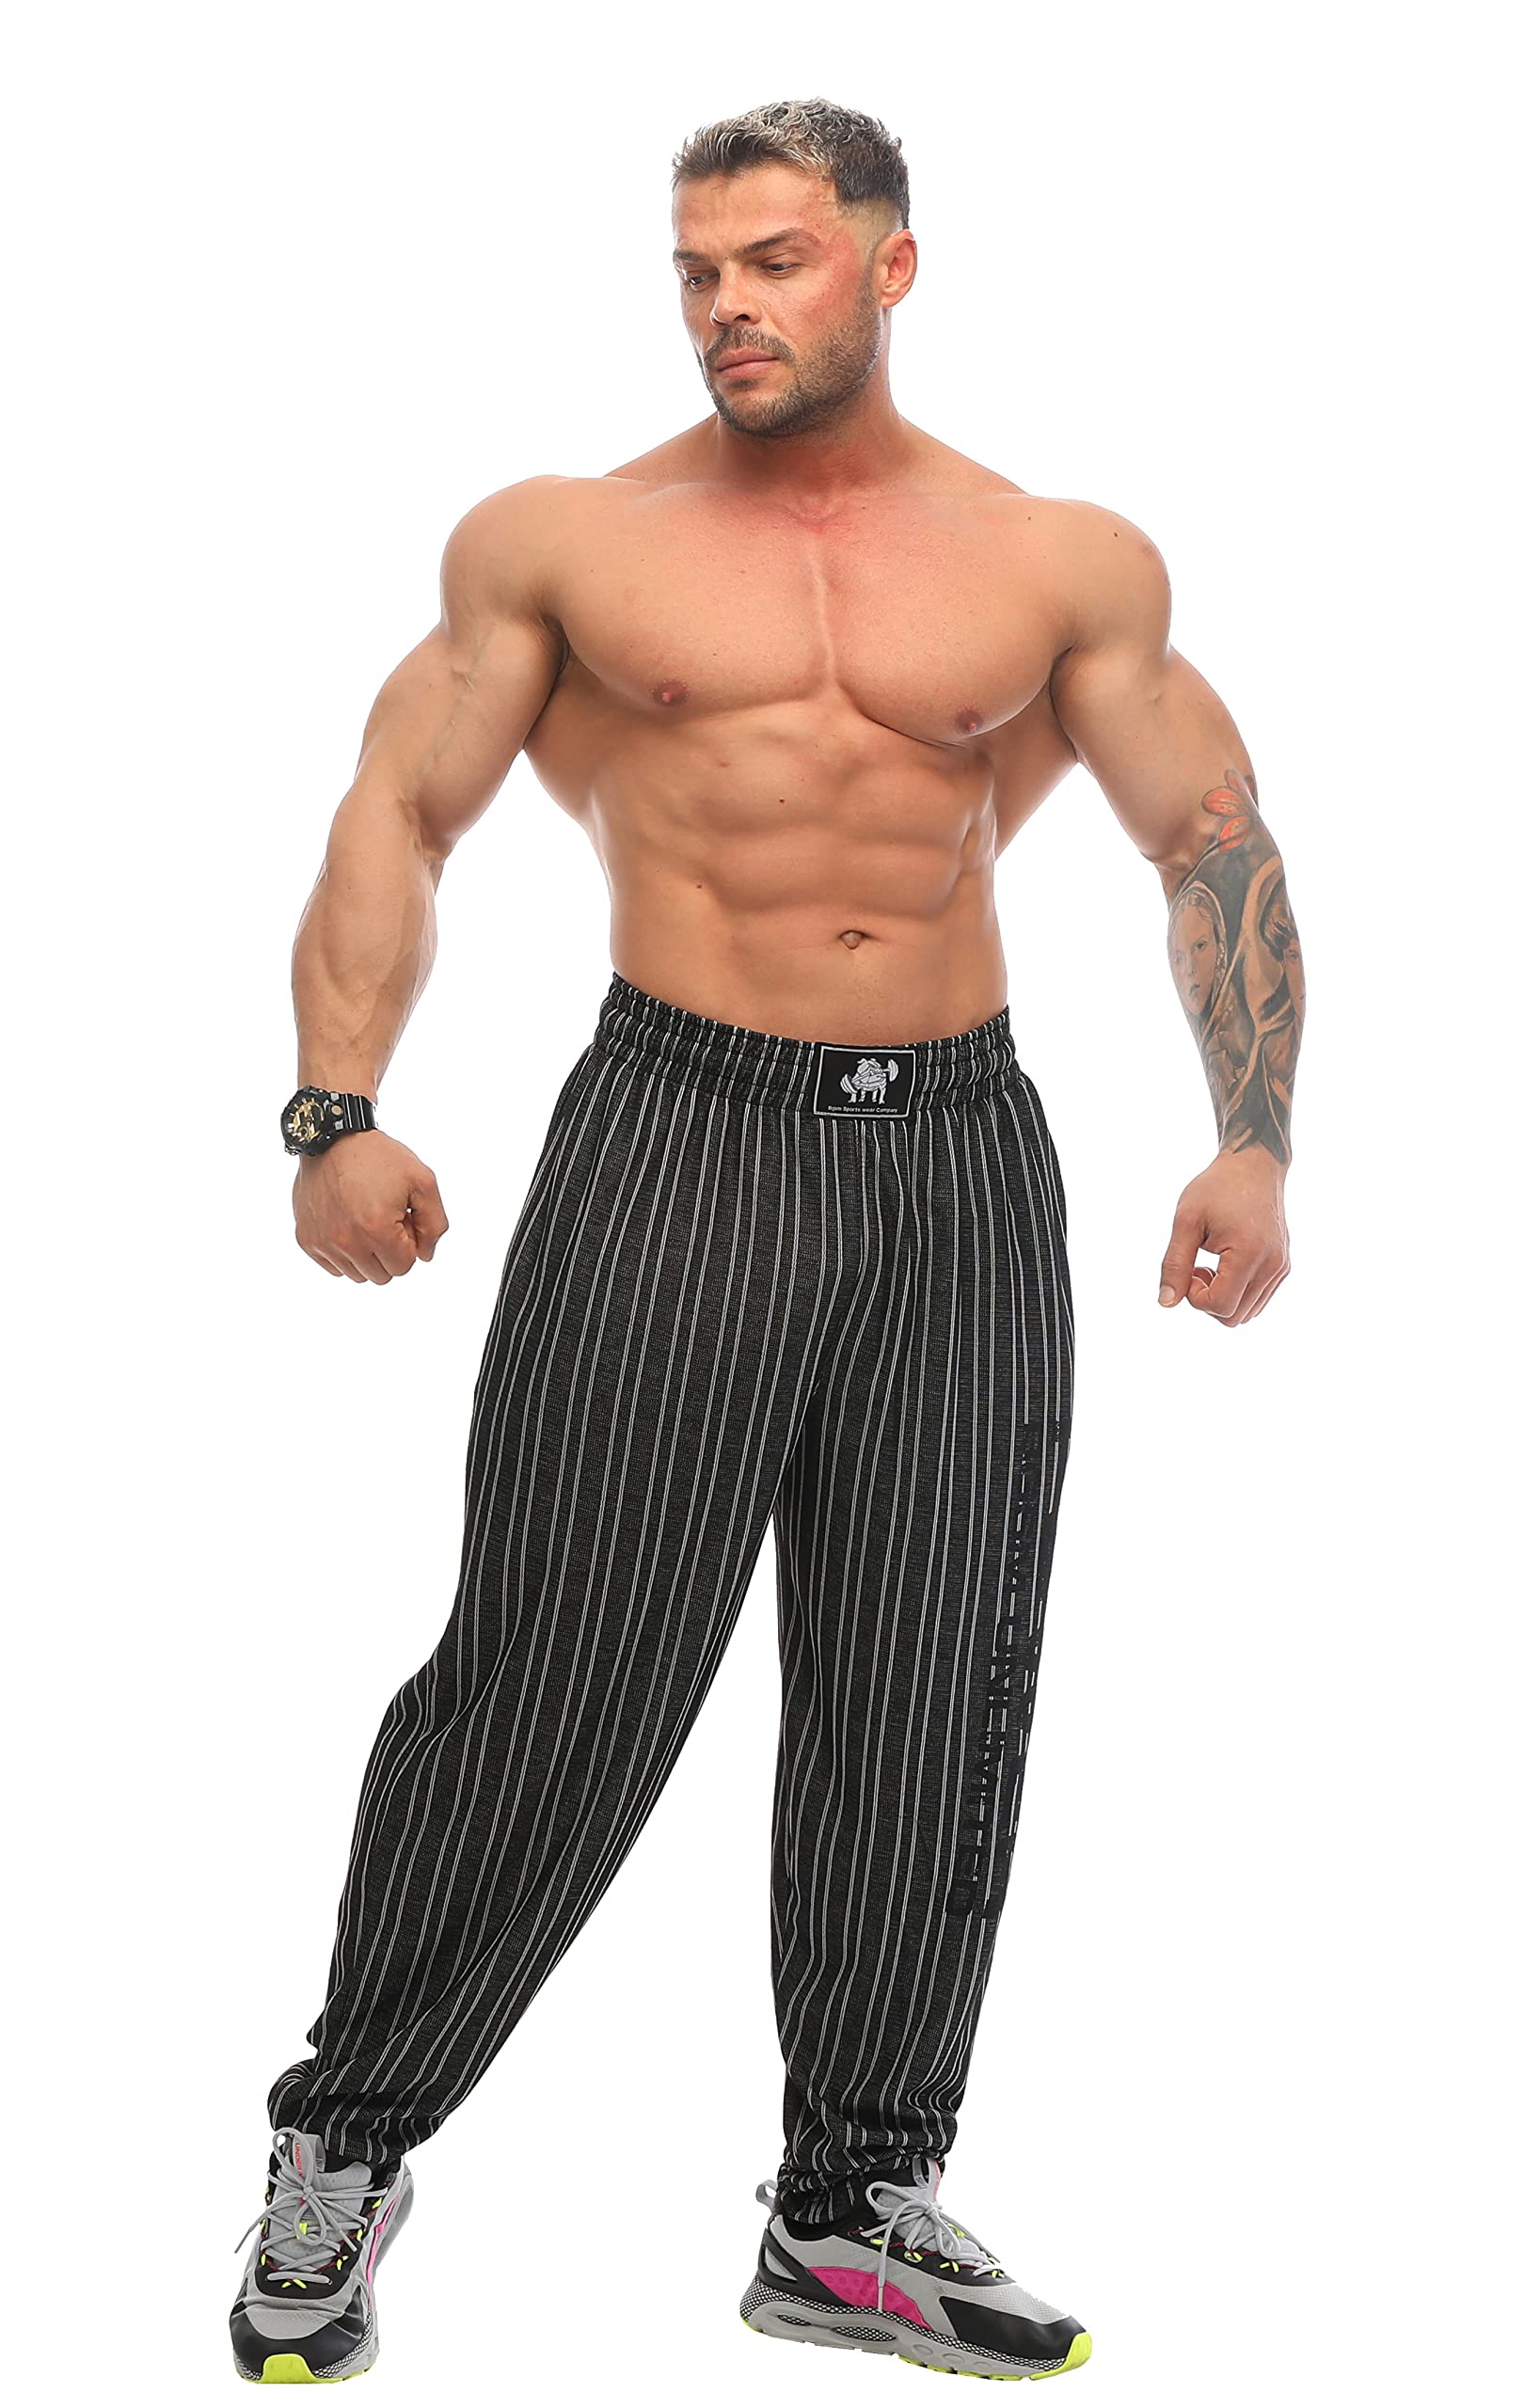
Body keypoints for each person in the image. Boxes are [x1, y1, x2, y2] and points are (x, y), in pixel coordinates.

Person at [232, 96, 1304, 2387]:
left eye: (778, 260)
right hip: (677, 1129)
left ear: (891, 266)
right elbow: (399, 802)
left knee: (934, 1678)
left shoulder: (1056, 559)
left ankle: (852, 2203)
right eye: (699, 268)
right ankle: (348, 2133)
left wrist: (1253, 1141)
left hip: (963, 1158)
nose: (729, 304)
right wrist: (335, 1105)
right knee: (556, 1668)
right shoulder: (566, 540)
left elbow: (1207, 833)